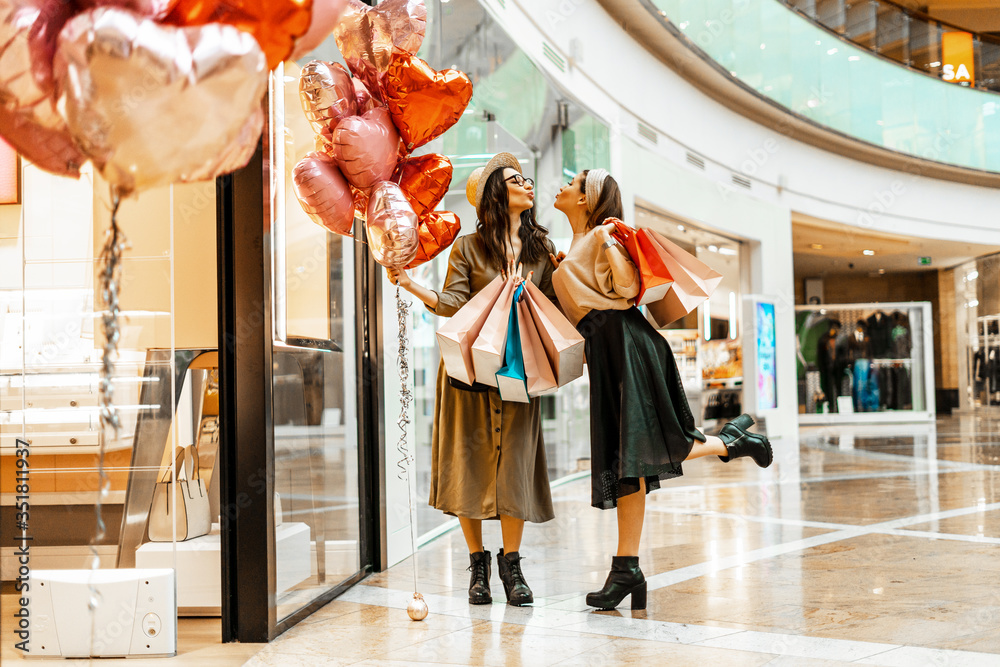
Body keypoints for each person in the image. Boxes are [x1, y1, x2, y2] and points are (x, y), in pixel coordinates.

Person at [551, 168, 773, 611]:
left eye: (572, 183)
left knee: (644, 445)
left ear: (586, 200)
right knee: (626, 460)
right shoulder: (571, 249)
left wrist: (613, 243)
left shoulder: (600, 236)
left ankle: (730, 441)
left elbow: (630, 288)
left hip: (628, 344)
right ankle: (626, 568)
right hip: (608, 350)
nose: (563, 186)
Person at [386, 153, 557, 607]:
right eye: (515, 179)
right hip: (469, 373)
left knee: (515, 465)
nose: (526, 183)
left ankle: (512, 565)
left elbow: (560, 308)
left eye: (526, 178)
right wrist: (409, 282)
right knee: (471, 466)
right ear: (496, 195)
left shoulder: (543, 251)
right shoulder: (469, 247)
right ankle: (477, 564)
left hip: (520, 373)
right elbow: (453, 302)